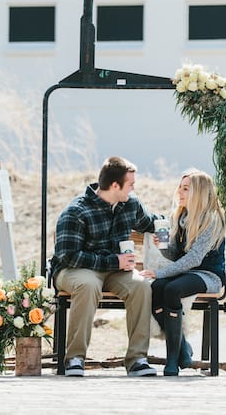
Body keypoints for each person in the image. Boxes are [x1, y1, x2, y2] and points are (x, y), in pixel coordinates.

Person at [51, 156, 159, 377]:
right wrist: (114, 261)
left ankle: (137, 359)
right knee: (88, 284)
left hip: (114, 271)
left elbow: (150, 222)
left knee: (141, 286)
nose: (134, 188)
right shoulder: (76, 211)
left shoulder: (130, 204)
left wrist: (165, 228)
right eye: (130, 184)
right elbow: (68, 255)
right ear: (115, 185)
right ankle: (75, 358)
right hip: (73, 270)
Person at [141, 168, 226, 376]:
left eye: (186, 189)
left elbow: (194, 259)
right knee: (156, 288)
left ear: (198, 192)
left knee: (171, 289)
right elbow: (178, 256)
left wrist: (160, 272)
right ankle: (182, 348)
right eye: (180, 187)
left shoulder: (212, 219)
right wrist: (163, 247)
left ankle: (172, 360)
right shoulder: (181, 217)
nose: (180, 192)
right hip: (186, 273)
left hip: (208, 275)